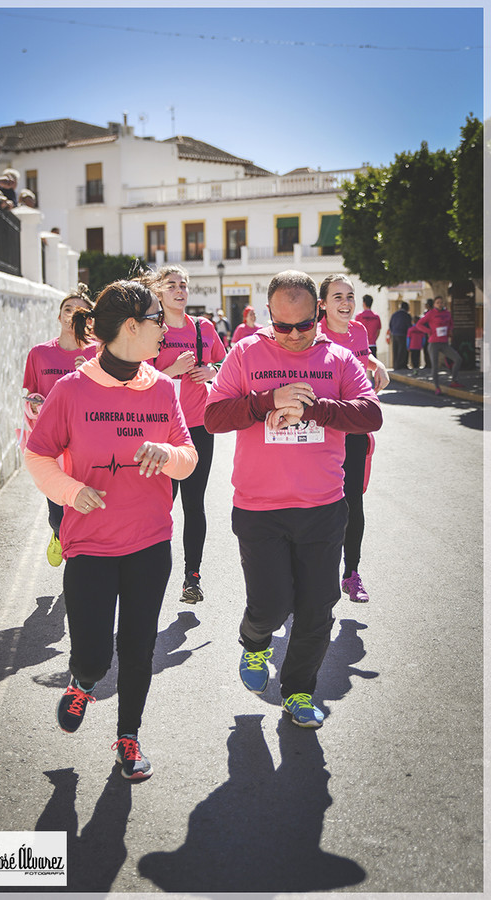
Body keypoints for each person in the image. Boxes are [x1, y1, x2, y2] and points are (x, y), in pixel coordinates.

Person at [24, 280, 197, 780]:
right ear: (130, 327)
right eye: (156, 321)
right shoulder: (71, 390)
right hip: (90, 545)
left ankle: (129, 737)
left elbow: (188, 459)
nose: (164, 330)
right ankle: (83, 680)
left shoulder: (163, 389)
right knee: (96, 655)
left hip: (149, 542)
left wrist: (168, 456)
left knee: (140, 646)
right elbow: (38, 454)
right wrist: (70, 490)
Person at [204, 270, 382, 728]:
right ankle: (255, 640)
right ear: (269, 317)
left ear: (318, 315)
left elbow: (371, 414)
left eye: (305, 325)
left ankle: (299, 691)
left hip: (322, 507)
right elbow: (214, 416)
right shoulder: (245, 353)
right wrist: (266, 400)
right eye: (284, 327)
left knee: (317, 606)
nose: (296, 335)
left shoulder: (340, 358)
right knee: (270, 604)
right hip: (258, 507)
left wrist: (314, 408)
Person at [147, 265, 226, 603]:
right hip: (159, 429)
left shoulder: (204, 328)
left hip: (198, 427)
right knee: (161, 505)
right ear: (159, 292)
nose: (180, 290)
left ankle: (192, 578)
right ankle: (150, 574)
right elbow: (136, 376)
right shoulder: (150, 329)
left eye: (183, 285)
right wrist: (171, 371)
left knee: (194, 504)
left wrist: (213, 370)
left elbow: (228, 368)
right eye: (171, 285)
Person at [318, 274, 389, 603]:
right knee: (320, 507)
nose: (346, 303)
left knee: (353, 505)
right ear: (323, 305)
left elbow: (362, 357)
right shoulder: (315, 337)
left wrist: (378, 364)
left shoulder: (359, 330)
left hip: (356, 431)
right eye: (338, 297)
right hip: (322, 435)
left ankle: (352, 574)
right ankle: (315, 577)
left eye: (350, 296)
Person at [20, 285, 98, 566]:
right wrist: (35, 402)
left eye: (79, 311)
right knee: (57, 511)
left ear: (88, 319)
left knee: (86, 502)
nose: (71, 315)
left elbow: (110, 398)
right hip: (52, 442)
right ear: (59, 316)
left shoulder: (98, 355)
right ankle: (58, 533)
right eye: (67, 309)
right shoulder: (39, 354)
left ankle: (81, 556)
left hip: (88, 441)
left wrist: (88, 373)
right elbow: (28, 393)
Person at [414, 296, 464, 395]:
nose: (440, 304)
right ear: (434, 304)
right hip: (434, 343)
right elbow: (419, 324)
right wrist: (429, 331)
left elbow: (451, 324)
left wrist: (450, 330)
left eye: (441, 302)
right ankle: (437, 387)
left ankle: (454, 381)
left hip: (444, 343)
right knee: (435, 366)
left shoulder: (447, 314)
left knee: (458, 359)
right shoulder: (431, 313)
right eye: (437, 303)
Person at [386, 302, 411, 370]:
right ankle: (402, 365)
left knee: (395, 350)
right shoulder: (407, 315)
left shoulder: (394, 314)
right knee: (402, 351)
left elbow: (390, 324)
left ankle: (395, 365)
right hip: (403, 334)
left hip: (394, 334)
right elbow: (409, 326)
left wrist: (392, 332)